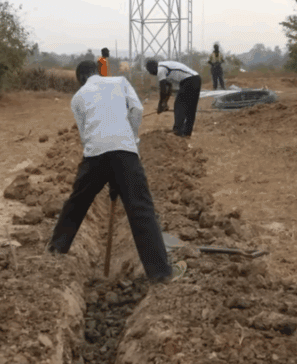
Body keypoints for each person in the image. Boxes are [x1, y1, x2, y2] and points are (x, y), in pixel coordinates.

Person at [46, 60, 173, 282]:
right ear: (98, 73)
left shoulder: (78, 97)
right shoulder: (120, 82)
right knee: (141, 209)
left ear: (80, 80)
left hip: (95, 153)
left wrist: (101, 163)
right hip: (125, 151)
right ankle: (160, 273)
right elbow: (137, 109)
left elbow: (85, 134)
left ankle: (57, 249)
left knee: (77, 202)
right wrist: (131, 139)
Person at [145, 59, 201, 137]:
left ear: (152, 67)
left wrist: (160, 105)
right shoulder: (163, 67)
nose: (150, 73)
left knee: (179, 105)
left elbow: (163, 90)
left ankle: (178, 131)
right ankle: (187, 132)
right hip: (196, 79)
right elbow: (169, 87)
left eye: (150, 71)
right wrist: (164, 103)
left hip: (188, 81)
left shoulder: (160, 69)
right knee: (191, 108)